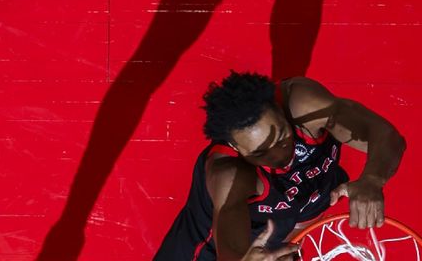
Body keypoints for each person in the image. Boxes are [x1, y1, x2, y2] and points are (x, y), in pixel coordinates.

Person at [154, 71, 406, 260]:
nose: (280, 154)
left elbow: (386, 135)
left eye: (283, 135)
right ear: (237, 149)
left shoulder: (303, 105)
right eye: (261, 152)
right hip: (210, 246)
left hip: (287, 217)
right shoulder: (229, 171)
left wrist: (372, 179)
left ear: (279, 108)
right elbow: (230, 242)